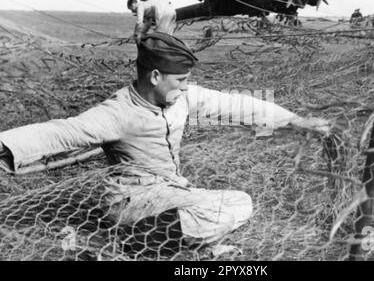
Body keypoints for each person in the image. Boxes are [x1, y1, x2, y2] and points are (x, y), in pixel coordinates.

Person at [0, 32, 332, 256]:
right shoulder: (118, 112)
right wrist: (5, 145)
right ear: (155, 76)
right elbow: (61, 132)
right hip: (131, 199)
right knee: (215, 213)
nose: (188, 88)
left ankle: (152, 241)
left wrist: (294, 120)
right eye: (181, 80)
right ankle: (129, 243)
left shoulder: (179, 98)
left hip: (170, 191)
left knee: (241, 203)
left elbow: (237, 106)